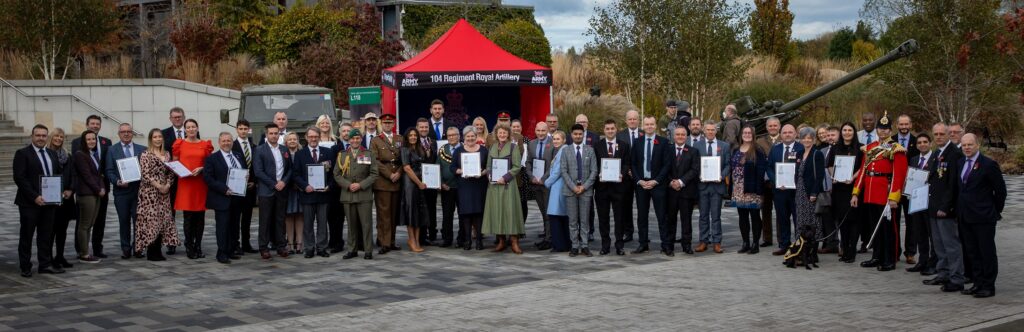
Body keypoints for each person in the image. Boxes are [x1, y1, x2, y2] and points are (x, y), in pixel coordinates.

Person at [851, 111, 908, 272]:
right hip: (870, 193)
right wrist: (856, 192)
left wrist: (894, 197)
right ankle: (876, 256)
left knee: (888, 229)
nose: (883, 131)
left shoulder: (896, 149)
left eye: (886, 129)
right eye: (880, 128)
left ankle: (889, 258)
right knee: (873, 226)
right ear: (877, 130)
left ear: (891, 130)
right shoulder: (870, 148)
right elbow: (863, 171)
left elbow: (899, 175)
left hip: (885, 194)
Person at [955, 134, 1005, 298]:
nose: (967, 148)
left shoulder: (988, 164)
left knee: (986, 252)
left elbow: (1000, 191)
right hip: (965, 217)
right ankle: (977, 283)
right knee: (972, 252)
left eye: (970, 144)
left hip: (983, 217)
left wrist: (994, 210)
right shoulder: (961, 163)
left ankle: (988, 285)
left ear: (977, 145)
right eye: (964, 145)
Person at [14, 124, 64, 277]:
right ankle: (25, 266)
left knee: (46, 235)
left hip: (49, 203)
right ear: (32, 136)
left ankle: (44, 264)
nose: (41, 138)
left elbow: (56, 175)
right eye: (38, 135)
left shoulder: (51, 153)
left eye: (44, 135)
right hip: (29, 203)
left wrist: (58, 193)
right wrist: (35, 196)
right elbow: (20, 178)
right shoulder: (22, 153)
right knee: (27, 235)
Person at [921, 123, 962, 285]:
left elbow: (952, 185)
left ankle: (956, 277)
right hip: (933, 206)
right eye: (936, 134)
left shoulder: (954, 154)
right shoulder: (937, 153)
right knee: (938, 244)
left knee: (950, 244)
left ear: (948, 135)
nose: (938, 137)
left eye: (941, 134)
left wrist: (946, 207)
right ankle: (943, 273)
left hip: (945, 209)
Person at [135, 129, 179, 261]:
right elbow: (145, 174)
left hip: (164, 193)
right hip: (149, 194)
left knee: (162, 221)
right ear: (151, 139)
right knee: (151, 222)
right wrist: (159, 186)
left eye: (160, 137)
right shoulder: (145, 154)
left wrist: (167, 185)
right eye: (155, 137)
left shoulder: (166, 154)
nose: (158, 139)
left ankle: (158, 250)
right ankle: (151, 252)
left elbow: (171, 172)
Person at [71, 115, 112, 258]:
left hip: (103, 188)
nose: (95, 126)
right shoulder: (77, 144)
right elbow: (84, 172)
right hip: (87, 190)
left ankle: (97, 248)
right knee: (84, 221)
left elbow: (103, 168)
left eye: (97, 124)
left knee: (100, 220)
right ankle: (81, 249)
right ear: (87, 125)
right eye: (92, 123)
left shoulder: (106, 142)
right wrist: (97, 188)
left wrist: (102, 187)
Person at [203, 132, 247, 264]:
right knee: (222, 227)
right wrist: (224, 189)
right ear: (219, 142)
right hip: (222, 198)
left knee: (234, 226)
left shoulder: (238, 156)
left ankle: (231, 250)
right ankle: (221, 253)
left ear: (232, 142)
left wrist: (246, 181)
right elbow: (208, 178)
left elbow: (243, 171)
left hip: (237, 198)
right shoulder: (212, 158)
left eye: (229, 140)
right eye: (224, 141)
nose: (227, 143)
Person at [172, 118, 213, 259]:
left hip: (200, 183)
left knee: (200, 217)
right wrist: (183, 171)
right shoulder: (179, 144)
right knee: (188, 217)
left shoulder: (205, 144)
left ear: (197, 128)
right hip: (186, 183)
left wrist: (202, 168)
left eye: (193, 127)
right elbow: (174, 163)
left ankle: (198, 246)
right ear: (185, 129)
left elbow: (210, 164)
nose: (191, 129)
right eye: (188, 127)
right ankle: (189, 246)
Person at [334, 129, 378, 260]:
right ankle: (352, 249)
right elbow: (336, 174)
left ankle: (368, 250)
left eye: (357, 138)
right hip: (348, 194)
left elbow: (374, 174)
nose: (355, 141)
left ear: (361, 139)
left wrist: (361, 185)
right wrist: (348, 185)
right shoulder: (342, 155)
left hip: (364, 194)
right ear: (349, 140)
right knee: (351, 224)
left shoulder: (368, 153)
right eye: (352, 139)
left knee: (366, 224)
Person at [631, 116, 671, 254]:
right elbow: (633, 164)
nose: (649, 126)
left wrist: (656, 181)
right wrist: (639, 181)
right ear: (643, 125)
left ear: (655, 126)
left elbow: (667, 165)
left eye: (651, 124)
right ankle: (643, 243)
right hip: (641, 185)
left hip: (658, 185)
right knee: (642, 216)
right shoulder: (637, 142)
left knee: (662, 216)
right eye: (646, 124)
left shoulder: (664, 142)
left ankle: (665, 245)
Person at [105, 123, 146, 259]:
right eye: (123, 132)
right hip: (121, 192)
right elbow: (109, 171)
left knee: (138, 221)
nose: (126, 134)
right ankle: (125, 248)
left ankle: (138, 247)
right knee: (124, 221)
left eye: (129, 131)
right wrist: (117, 181)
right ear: (119, 134)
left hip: (138, 192)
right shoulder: (112, 150)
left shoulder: (142, 149)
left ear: (132, 133)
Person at [482, 124, 525, 254]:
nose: (502, 135)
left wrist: (505, 177)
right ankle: (501, 241)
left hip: (508, 185)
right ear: (496, 134)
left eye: (504, 133)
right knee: (497, 211)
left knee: (510, 211)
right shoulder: (493, 147)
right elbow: (488, 165)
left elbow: (517, 166)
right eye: (500, 133)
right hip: (494, 186)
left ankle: (514, 242)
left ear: (508, 134)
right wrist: (490, 176)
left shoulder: (513, 147)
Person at [292, 127, 334, 258]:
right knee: (308, 223)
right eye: (311, 137)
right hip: (307, 194)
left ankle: (322, 247)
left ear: (319, 137)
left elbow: (334, 174)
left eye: (316, 136)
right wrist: (305, 186)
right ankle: (309, 248)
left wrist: (329, 186)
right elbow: (296, 174)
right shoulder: (300, 154)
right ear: (306, 137)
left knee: (322, 223)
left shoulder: (328, 152)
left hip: (323, 194)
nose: (313, 139)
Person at [254, 124, 292, 259]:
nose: (274, 135)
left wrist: (284, 182)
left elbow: (290, 169)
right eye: (271, 133)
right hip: (266, 190)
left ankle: (281, 246)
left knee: (280, 219)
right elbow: (258, 171)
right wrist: (274, 184)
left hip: (281, 190)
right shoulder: (260, 150)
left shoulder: (284, 149)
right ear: (266, 135)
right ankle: (263, 247)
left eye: (276, 133)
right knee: (265, 220)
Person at [560, 124, 597, 257]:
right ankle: (575, 245)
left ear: (583, 135)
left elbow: (594, 171)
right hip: (570, 191)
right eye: (575, 134)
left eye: (580, 134)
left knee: (585, 219)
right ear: (571, 135)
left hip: (585, 191)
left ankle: (585, 245)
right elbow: (563, 171)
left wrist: (584, 187)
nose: (578, 136)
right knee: (573, 220)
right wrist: (573, 187)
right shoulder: (566, 151)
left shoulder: (590, 150)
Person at [595, 119, 631, 255]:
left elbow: (627, 163)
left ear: (616, 130)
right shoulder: (597, 145)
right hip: (602, 188)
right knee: (603, 218)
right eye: (607, 129)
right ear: (604, 130)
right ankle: (605, 245)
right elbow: (596, 164)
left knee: (619, 218)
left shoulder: (624, 145)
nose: (610, 131)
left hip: (619, 188)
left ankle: (619, 245)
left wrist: (622, 174)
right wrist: (599, 173)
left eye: (612, 128)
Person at [694, 120, 731, 254]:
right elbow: (695, 164)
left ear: (716, 131)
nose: (710, 132)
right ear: (704, 131)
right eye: (708, 130)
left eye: (712, 129)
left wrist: (721, 175)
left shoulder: (724, 146)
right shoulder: (697, 146)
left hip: (717, 185)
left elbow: (728, 165)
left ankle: (717, 242)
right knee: (703, 215)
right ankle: (703, 241)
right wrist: (698, 174)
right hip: (703, 185)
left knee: (716, 216)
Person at [831, 122, 864, 263]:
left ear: (854, 132)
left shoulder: (861, 148)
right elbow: (829, 166)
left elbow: (863, 167)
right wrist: (834, 176)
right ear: (841, 132)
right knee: (842, 221)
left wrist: (853, 177)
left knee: (854, 220)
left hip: (854, 188)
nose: (847, 132)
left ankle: (852, 251)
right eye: (844, 130)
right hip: (839, 189)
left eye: (850, 130)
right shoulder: (835, 148)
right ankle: (844, 249)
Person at [731, 126, 767, 254]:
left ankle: (755, 243)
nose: (747, 135)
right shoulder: (736, 149)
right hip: (738, 188)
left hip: (753, 188)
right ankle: (745, 242)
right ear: (741, 135)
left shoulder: (757, 150)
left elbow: (761, 170)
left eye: (749, 133)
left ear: (753, 135)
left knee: (755, 216)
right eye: (744, 133)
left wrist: (759, 190)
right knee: (742, 216)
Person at [451, 126, 489, 250]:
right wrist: (460, 170)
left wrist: (483, 173)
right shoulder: (458, 151)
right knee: (466, 213)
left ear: (476, 136)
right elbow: (452, 167)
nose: (470, 138)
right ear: (464, 137)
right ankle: (467, 241)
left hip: (479, 185)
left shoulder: (484, 150)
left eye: (473, 136)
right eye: (468, 136)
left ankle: (479, 241)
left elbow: (488, 167)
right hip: (464, 185)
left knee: (479, 212)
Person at [370, 113, 402, 254]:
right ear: (381, 124)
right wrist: (389, 174)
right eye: (385, 123)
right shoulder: (376, 140)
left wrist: (399, 173)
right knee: (384, 214)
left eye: (390, 123)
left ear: (393, 124)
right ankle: (384, 242)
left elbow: (404, 158)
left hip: (397, 180)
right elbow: (375, 161)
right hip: (383, 181)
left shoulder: (399, 139)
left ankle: (392, 241)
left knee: (394, 213)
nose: (388, 125)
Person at [665, 126, 700, 256]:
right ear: (674, 136)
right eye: (677, 134)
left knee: (686, 220)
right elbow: (663, 168)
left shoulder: (693, 151)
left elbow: (695, 170)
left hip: (686, 191)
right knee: (670, 220)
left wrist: (680, 182)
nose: (680, 136)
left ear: (686, 136)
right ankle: (669, 246)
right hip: (670, 191)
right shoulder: (667, 150)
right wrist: (671, 181)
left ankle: (686, 245)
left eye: (682, 134)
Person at [768, 124, 802, 255]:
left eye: (790, 132)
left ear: (795, 134)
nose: (787, 134)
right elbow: (769, 167)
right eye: (785, 132)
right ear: (781, 134)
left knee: (798, 218)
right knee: (782, 218)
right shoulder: (775, 149)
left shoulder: (801, 148)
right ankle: (784, 245)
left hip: (796, 191)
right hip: (780, 191)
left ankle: (799, 244)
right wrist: (776, 181)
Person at [73, 130, 106, 264]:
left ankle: (85, 251)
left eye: (94, 139)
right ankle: (84, 254)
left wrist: (102, 187)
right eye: (89, 139)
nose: (92, 141)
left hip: (95, 193)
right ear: (83, 141)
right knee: (84, 225)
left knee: (90, 224)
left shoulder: (93, 155)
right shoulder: (80, 155)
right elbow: (87, 176)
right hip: (87, 194)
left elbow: (99, 175)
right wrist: (98, 189)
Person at [161, 107, 189, 255]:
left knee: (188, 212)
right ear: (170, 118)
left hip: (187, 179)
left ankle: (189, 241)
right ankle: (170, 241)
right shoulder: (164, 134)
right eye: (175, 117)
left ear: (184, 117)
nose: (177, 119)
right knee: (169, 212)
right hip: (170, 179)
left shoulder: (191, 131)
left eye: (180, 117)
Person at [46, 127, 76, 269]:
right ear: (51, 137)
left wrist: (70, 189)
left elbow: (73, 174)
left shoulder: (67, 155)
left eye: (61, 137)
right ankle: (48, 258)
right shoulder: (45, 154)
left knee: (62, 230)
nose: (58, 139)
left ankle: (60, 256)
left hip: (66, 198)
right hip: (51, 198)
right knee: (50, 230)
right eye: (56, 136)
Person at [794, 126, 826, 251]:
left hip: (810, 192)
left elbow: (820, 176)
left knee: (812, 221)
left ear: (813, 139)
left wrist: (814, 192)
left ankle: (812, 249)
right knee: (800, 220)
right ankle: (801, 247)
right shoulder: (799, 153)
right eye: (804, 138)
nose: (807, 140)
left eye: (809, 138)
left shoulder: (817, 154)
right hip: (800, 191)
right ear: (801, 139)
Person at [398, 127, 429, 253]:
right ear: (407, 137)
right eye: (410, 135)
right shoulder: (404, 149)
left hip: (419, 183)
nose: (413, 137)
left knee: (418, 212)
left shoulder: (419, 149)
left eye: (415, 135)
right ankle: (411, 240)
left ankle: (416, 240)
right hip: (410, 184)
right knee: (411, 211)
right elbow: (407, 168)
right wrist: (419, 183)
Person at [894, 114, 920, 264]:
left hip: (912, 188)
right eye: (901, 124)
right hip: (896, 188)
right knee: (894, 221)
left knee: (912, 222)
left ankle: (910, 252)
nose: (904, 127)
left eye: (906, 124)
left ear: (911, 125)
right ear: (897, 125)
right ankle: (895, 251)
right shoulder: (891, 141)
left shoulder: (918, 142)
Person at [906, 133, 934, 273]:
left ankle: (933, 263)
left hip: (930, 202)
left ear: (930, 143)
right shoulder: (914, 159)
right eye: (919, 143)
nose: (922, 144)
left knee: (932, 235)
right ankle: (922, 261)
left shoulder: (936, 159)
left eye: (925, 142)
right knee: (920, 234)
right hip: (916, 202)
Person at [524, 122, 554, 249]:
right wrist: (532, 177)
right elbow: (528, 162)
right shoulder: (531, 144)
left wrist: (543, 178)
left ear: (547, 130)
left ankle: (549, 239)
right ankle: (547, 236)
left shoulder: (553, 143)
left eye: (543, 130)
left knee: (549, 212)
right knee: (543, 211)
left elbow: (554, 164)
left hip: (547, 183)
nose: (540, 133)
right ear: (535, 131)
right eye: (538, 130)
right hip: (536, 183)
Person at [231, 119, 258, 254]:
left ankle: (246, 244)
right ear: (237, 130)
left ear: (249, 130)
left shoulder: (254, 146)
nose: (243, 131)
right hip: (236, 188)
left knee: (247, 218)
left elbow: (256, 166)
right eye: (240, 129)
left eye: (245, 129)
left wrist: (255, 181)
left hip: (251, 188)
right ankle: (235, 245)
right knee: (235, 218)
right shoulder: (232, 145)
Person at [755, 117, 782, 248]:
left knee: (781, 210)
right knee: (765, 211)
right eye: (770, 126)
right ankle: (767, 238)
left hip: (781, 182)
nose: (773, 128)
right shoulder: (759, 141)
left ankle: (781, 238)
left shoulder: (785, 139)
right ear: (766, 127)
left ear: (779, 126)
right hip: (764, 182)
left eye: (775, 125)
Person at [615, 110, 641, 241]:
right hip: (626, 177)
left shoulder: (644, 133)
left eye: (635, 119)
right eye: (630, 119)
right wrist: (627, 170)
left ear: (638, 120)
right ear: (626, 121)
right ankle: (628, 231)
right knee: (626, 205)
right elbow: (618, 156)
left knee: (642, 206)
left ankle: (643, 233)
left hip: (642, 177)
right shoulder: (619, 136)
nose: (632, 121)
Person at [544, 130, 571, 252]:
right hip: (558, 186)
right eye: (554, 139)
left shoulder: (563, 151)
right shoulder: (561, 150)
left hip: (558, 186)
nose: (555, 141)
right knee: (561, 216)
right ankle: (563, 244)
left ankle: (559, 245)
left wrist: (546, 182)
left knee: (556, 216)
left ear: (564, 140)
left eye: (558, 139)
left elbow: (557, 171)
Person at [414, 118, 439, 246]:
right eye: (421, 127)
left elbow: (436, 161)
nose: (424, 129)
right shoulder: (414, 143)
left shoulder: (433, 142)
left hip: (432, 181)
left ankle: (433, 234)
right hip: (419, 182)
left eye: (426, 127)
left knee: (432, 207)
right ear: (417, 128)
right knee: (421, 209)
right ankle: (422, 236)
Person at [438, 126, 461, 247]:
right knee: (447, 215)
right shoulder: (443, 149)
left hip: (462, 188)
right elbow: (438, 168)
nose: (451, 137)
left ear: (459, 136)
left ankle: (462, 239)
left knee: (463, 214)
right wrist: (441, 183)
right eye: (449, 135)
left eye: (454, 135)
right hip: (447, 187)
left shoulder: (464, 148)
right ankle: (447, 239)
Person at [284, 132, 304, 254]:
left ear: (298, 141)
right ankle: (290, 243)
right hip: (287, 190)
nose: (292, 141)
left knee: (300, 216)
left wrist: (300, 184)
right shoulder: (283, 154)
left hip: (300, 189)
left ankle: (299, 243)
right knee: (289, 216)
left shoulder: (302, 153)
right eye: (289, 139)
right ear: (286, 142)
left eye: (294, 139)